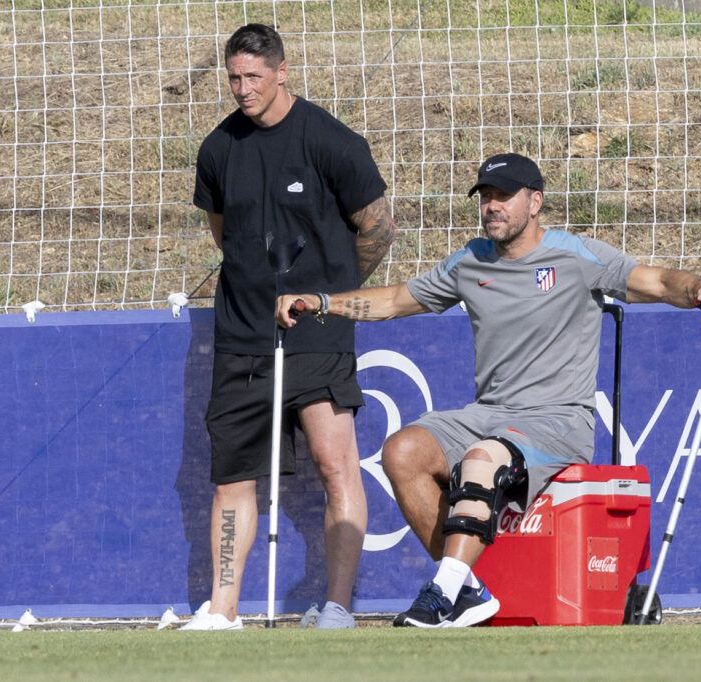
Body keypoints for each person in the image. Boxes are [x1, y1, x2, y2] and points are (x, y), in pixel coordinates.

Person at [276, 152, 701, 628]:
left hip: (558, 421)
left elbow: (656, 281)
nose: (492, 206)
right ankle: (465, 590)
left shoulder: (577, 256)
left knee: (481, 458)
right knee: (402, 450)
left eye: (503, 196)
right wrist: (322, 302)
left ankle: (440, 593)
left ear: (535, 202)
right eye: (486, 197)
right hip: (490, 415)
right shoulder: (469, 263)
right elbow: (393, 300)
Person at [181, 23, 397, 631]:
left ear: (281, 71)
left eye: (253, 76)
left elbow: (378, 229)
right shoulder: (219, 148)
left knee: (336, 465)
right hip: (242, 336)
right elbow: (223, 233)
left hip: (317, 336)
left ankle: (337, 607)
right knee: (232, 478)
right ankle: (223, 610)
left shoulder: (331, 141)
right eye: (233, 78)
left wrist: (328, 296)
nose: (243, 89)